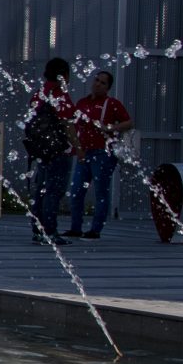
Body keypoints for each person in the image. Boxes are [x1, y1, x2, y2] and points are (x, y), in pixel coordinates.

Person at [64, 69, 135, 239]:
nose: (97, 84)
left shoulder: (112, 104)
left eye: (102, 82)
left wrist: (110, 127)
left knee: (101, 191)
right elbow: (72, 124)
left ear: (108, 87)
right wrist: (76, 146)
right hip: (84, 151)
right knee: (76, 190)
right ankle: (76, 227)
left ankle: (96, 229)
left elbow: (129, 122)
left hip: (103, 153)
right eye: (96, 80)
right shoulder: (82, 103)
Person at [23, 57, 76, 244]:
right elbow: (68, 124)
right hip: (59, 151)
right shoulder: (60, 94)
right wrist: (78, 146)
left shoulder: (40, 93)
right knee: (54, 191)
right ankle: (50, 232)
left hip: (42, 150)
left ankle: (38, 230)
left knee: (41, 191)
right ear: (64, 75)